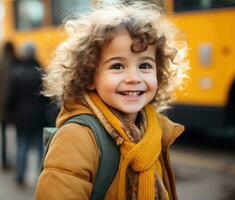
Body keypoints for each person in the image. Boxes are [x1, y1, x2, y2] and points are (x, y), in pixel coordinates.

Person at [35, 1, 189, 200]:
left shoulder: (153, 131)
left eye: (144, 66)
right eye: (117, 66)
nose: (134, 78)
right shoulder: (76, 138)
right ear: (90, 76)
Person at [7, 43, 48, 187]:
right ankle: (41, 176)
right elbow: (47, 98)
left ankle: (20, 175)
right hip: (39, 116)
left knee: (22, 145)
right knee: (40, 147)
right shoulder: (42, 73)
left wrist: (11, 115)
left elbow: (11, 99)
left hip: (21, 117)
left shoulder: (16, 73)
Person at [0, 41, 18, 171]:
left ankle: (3, 161)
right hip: (12, 105)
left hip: (0, 106)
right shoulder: (14, 63)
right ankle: (15, 161)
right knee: (15, 135)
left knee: (3, 136)